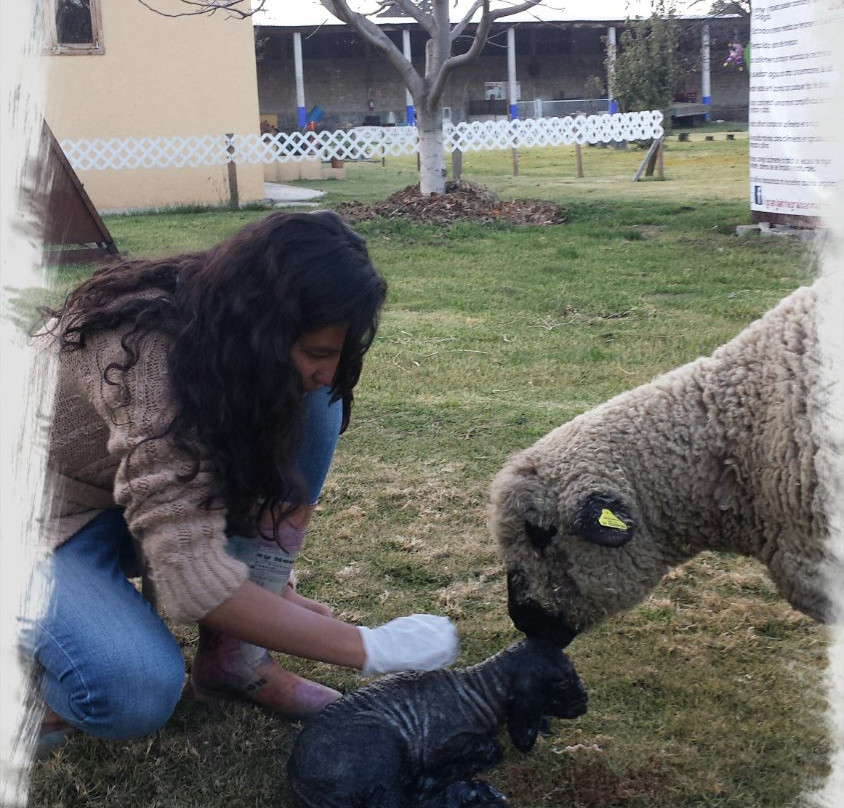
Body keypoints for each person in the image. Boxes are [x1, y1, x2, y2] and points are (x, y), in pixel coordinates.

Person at [22, 210, 458, 753]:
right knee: (130, 689)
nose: (328, 368)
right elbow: (191, 582)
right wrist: (371, 647)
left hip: (114, 492)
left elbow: (183, 501)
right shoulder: (142, 358)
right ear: (259, 327)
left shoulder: (223, 333)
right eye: (317, 352)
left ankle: (235, 657)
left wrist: (260, 588)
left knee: (316, 401)